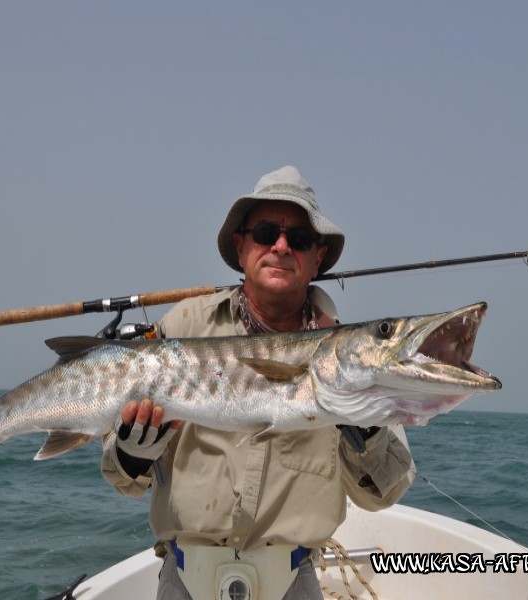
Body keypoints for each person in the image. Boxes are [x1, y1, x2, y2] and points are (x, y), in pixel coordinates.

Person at [101, 165, 415, 600]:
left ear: (317, 257)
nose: (281, 247)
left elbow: (384, 493)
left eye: (300, 239)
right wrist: (132, 455)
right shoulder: (186, 324)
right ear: (241, 245)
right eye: (266, 233)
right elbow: (119, 476)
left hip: (292, 581)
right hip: (184, 578)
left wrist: (367, 432)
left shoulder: (352, 354)